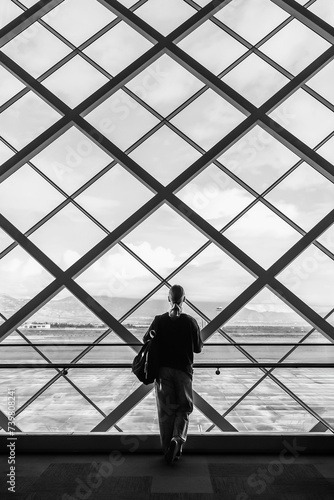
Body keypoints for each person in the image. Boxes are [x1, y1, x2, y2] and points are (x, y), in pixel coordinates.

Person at [143, 284, 203, 464]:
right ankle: (177, 440)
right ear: (184, 299)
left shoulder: (159, 320)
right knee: (183, 409)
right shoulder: (190, 322)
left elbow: (146, 339)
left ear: (169, 299)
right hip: (184, 372)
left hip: (163, 372)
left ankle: (166, 449)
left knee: (166, 411)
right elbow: (198, 349)